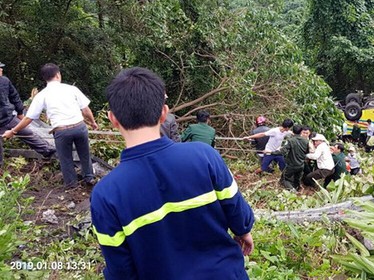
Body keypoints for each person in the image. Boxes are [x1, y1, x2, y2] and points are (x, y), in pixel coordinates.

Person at [91, 67, 254, 279]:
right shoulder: (205, 156)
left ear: (113, 119)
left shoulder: (105, 194)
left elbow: (120, 269)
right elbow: (236, 210)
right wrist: (243, 231)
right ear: (164, 113)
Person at [3, 63, 97, 188]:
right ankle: (89, 178)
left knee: (65, 159)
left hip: (62, 131)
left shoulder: (42, 95)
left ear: (45, 78)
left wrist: (13, 131)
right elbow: (86, 110)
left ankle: (71, 185)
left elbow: (29, 118)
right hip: (79, 127)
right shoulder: (71, 89)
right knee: (84, 153)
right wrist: (93, 122)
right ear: (58, 74)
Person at [0, 62, 56, 167]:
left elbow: (14, 97)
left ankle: (48, 151)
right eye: (0, 68)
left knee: (28, 133)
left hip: (8, 118)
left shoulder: (4, 81)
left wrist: (20, 112)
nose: (1, 70)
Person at [280, 125, 308, 192]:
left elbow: (283, 151)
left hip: (292, 165)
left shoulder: (290, 141)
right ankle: (297, 189)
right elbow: (307, 152)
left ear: (292, 131)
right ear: (301, 132)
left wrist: (273, 152)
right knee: (297, 179)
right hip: (301, 165)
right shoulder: (306, 141)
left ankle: (293, 191)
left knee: (285, 179)